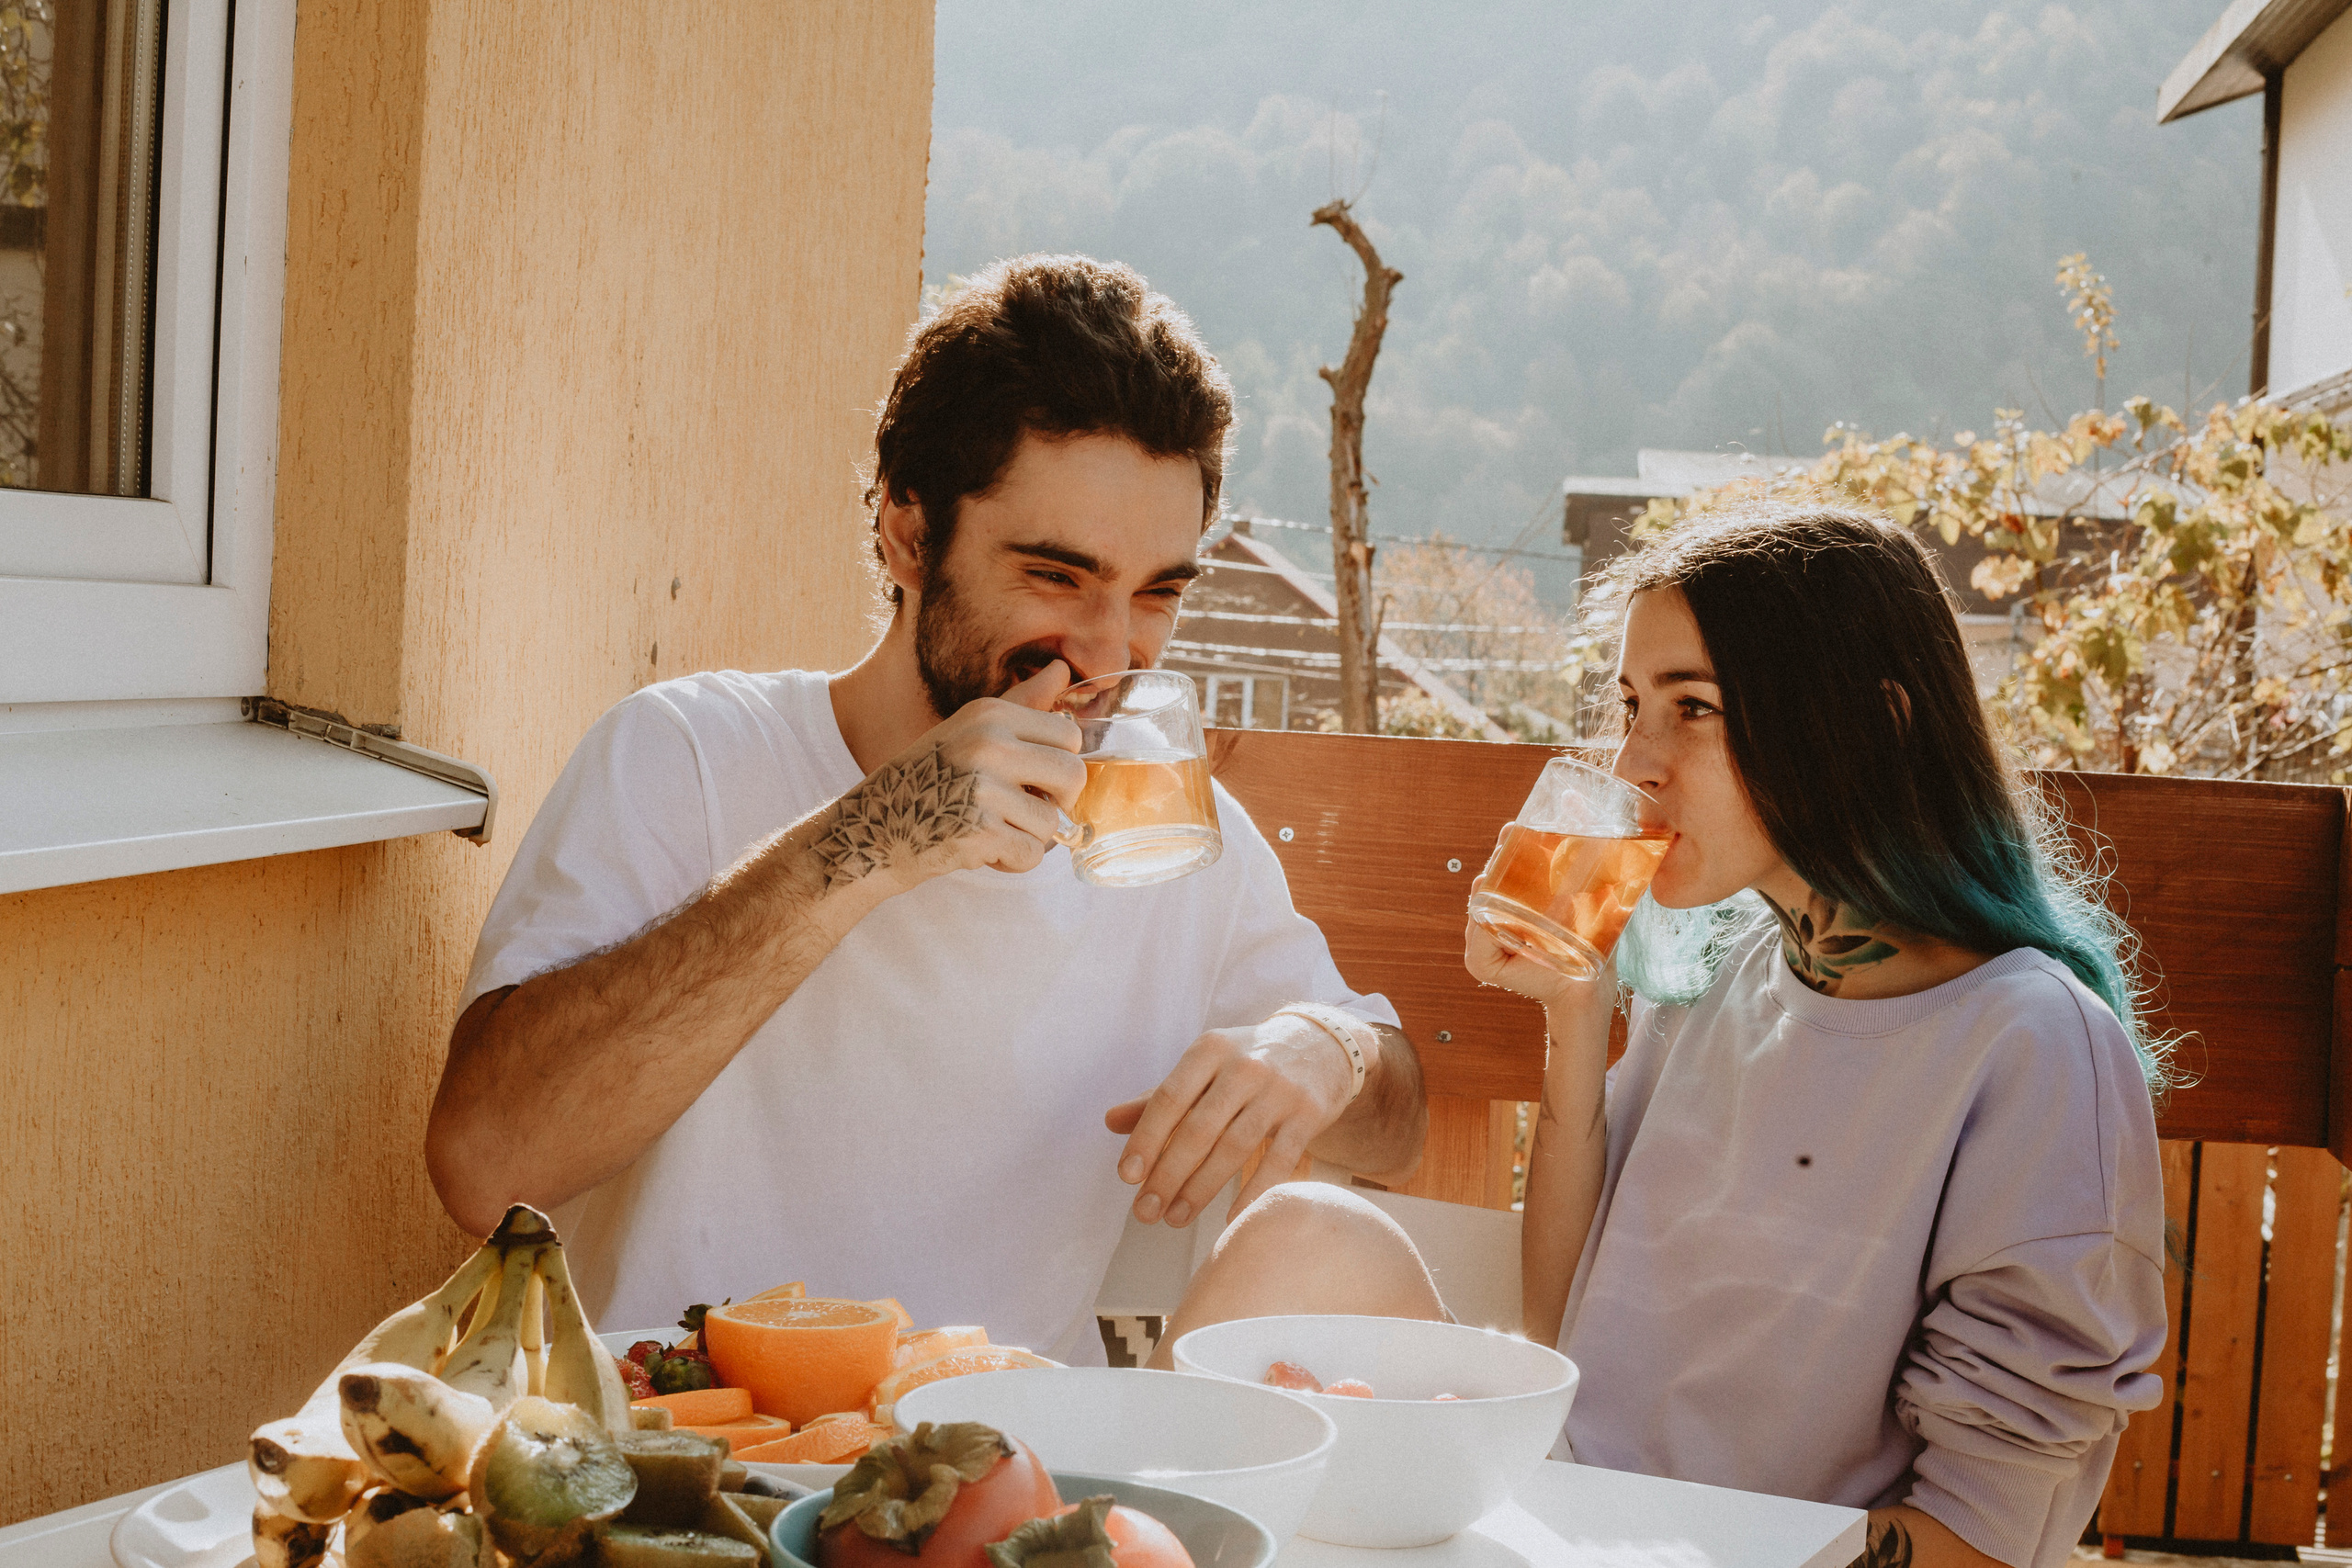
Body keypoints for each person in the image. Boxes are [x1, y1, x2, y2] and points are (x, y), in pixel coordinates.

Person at [424, 253, 1428, 1364]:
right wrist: (869, 841)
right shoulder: (688, 754)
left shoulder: (1168, 823)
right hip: (699, 1463)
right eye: (1058, 576)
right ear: (909, 534)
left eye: (1156, 593)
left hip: (1004, 1481)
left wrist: (1324, 1045)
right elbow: (482, 1164)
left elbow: (1395, 1120)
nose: (1110, 652)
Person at [1170, 502, 2166, 1568]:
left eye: (1692, 708)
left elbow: (1981, 1536)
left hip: (1735, 1557)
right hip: (1555, 1516)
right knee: (1304, 1232)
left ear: (1872, 722)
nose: (1635, 761)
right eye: (1632, 703)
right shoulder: (1717, 969)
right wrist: (1575, 1016)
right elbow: (1560, 1337)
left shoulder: (2035, 1050)